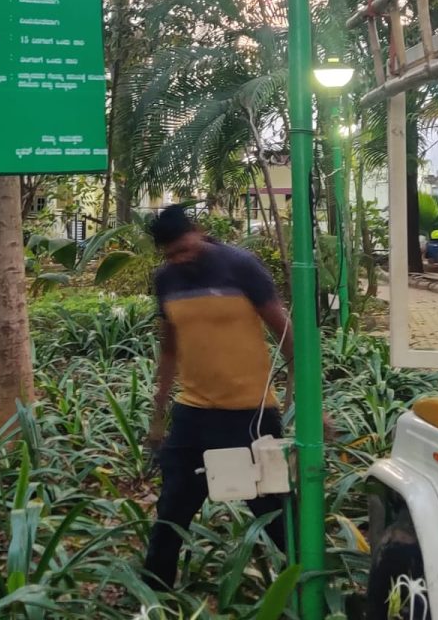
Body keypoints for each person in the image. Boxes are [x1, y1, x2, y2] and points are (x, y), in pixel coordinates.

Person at [141, 205, 298, 591]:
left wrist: (311, 401)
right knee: (172, 508)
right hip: (193, 412)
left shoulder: (240, 266)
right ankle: (155, 594)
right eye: (171, 254)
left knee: (275, 512)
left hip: (250, 413)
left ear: (197, 231)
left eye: (183, 248)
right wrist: (159, 415)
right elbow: (169, 349)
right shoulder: (167, 280)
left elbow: (284, 330)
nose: (180, 258)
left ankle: (308, 587)